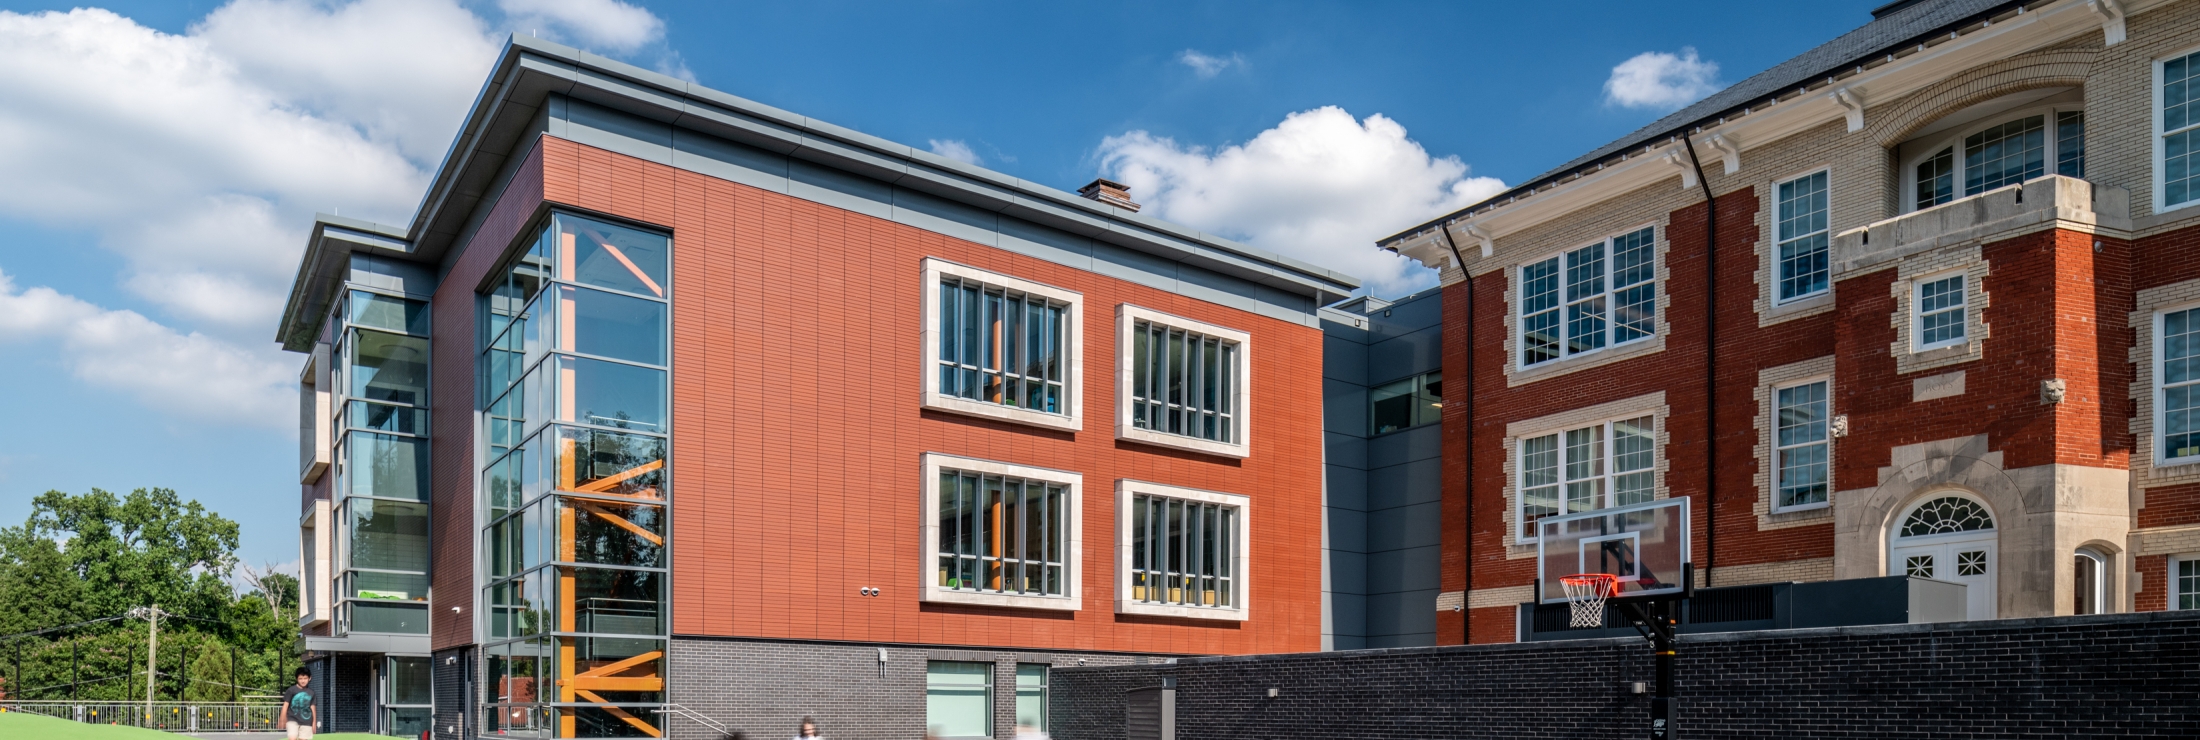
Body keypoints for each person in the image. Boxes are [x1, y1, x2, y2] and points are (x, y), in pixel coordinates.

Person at [279, 668, 317, 740]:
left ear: (310, 678)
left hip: (307, 722)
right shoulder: (291, 690)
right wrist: (282, 718)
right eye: (300, 678)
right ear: (297, 679)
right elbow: (286, 705)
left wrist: (314, 722)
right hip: (292, 719)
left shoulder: (311, 693)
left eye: (305, 678)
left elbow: (313, 708)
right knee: (292, 738)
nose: (303, 681)